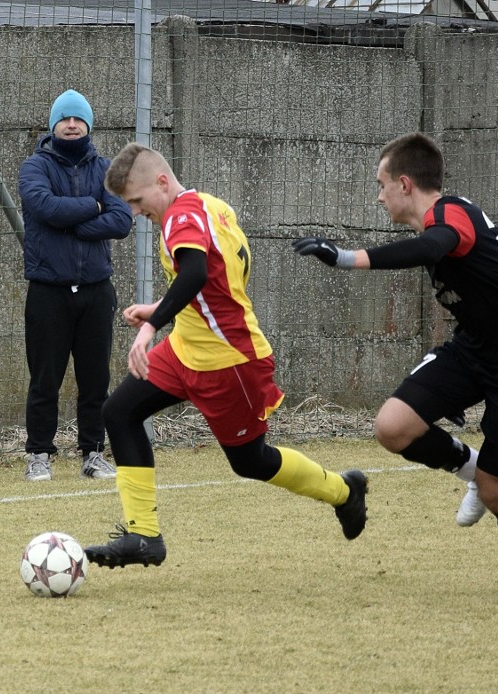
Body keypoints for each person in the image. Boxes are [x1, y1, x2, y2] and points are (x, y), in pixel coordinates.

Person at [293, 132, 498, 597]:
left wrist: (345, 258)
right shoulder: (436, 223)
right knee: (393, 427)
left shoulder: (449, 214)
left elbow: (433, 246)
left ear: (404, 183)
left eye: (381, 185)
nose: (378, 196)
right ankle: (471, 469)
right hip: (475, 350)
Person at [84, 143, 368, 568]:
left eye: (138, 202)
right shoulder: (211, 206)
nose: (137, 213)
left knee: (251, 462)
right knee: (119, 412)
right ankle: (144, 535)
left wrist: (150, 325)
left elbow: (197, 273)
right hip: (186, 348)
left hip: (228, 362)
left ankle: (344, 490)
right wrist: (160, 309)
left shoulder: (179, 216)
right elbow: (215, 280)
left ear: (162, 182)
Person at [18, 89, 134, 481]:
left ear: (88, 124)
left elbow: (121, 221)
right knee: (45, 379)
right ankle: (38, 455)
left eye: (78, 118)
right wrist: (95, 206)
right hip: (48, 291)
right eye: (64, 119)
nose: (71, 124)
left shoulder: (106, 170)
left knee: (95, 378)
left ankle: (93, 453)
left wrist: (71, 220)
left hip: (96, 292)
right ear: (54, 125)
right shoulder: (34, 167)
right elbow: (45, 207)